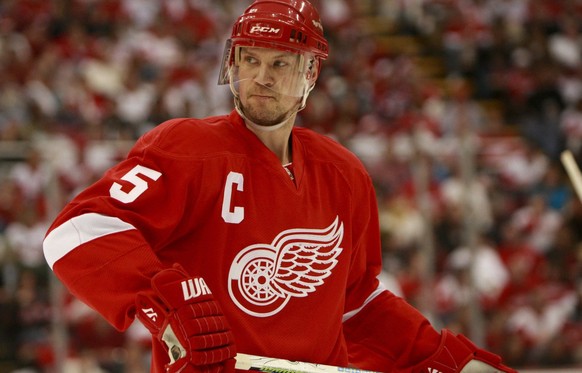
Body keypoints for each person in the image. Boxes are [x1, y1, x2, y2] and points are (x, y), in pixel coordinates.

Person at [43, 1, 516, 372]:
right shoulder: (187, 149)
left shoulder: (344, 174)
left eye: (280, 64)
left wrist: (447, 360)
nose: (260, 79)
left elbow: (354, 305)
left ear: (310, 73)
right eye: (250, 60)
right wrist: (161, 303)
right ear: (233, 65)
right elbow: (76, 231)